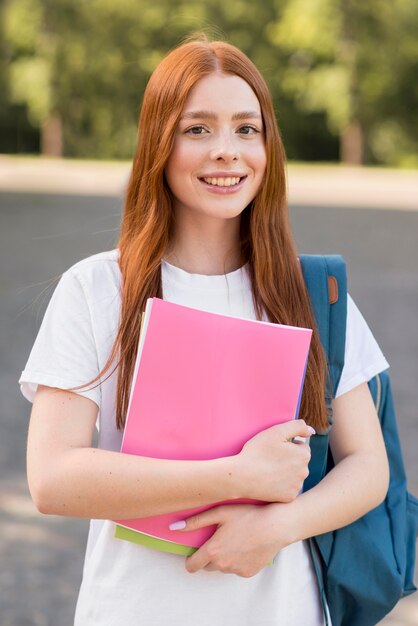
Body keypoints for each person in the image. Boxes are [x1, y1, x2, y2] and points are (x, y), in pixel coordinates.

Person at [20, 36, 390, 625]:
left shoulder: (310, 291)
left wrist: (277, 525)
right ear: (158, 145)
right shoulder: (97, 289)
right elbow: (53, 479)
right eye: (197, 130)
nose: (227, 152)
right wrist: (236, 476)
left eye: (247, 129)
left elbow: (368, 466)